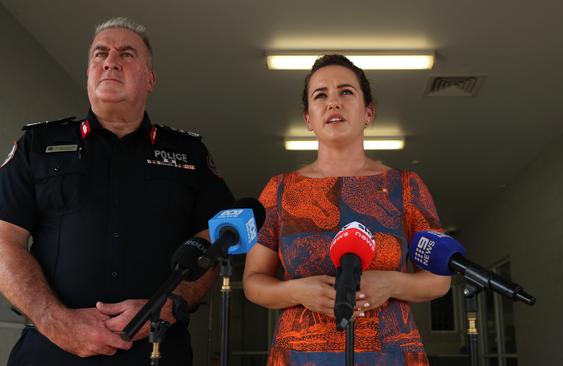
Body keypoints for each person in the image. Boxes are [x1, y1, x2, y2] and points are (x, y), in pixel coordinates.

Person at [0, 17, 234, 365]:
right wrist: (55, 321)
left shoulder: (188, 154)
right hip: (51, 349)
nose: (110, 61)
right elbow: (5, 240)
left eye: (127, 54)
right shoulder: (38, 145)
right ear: (89, 74)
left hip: (156, 349)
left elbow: (216, 239)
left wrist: (170, 306)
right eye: (100, 54)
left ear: (150, 79)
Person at [243, 54, 451, 365]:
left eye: (346, 92)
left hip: (389, 354)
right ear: (308, 119)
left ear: (369, 111)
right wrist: (298, 292)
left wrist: (392, 283)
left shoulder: (406, 186)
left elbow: (439, 277)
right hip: (299, 356)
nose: (333, 103)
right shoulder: (280, 190)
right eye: (320, 95)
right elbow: (253, 282)